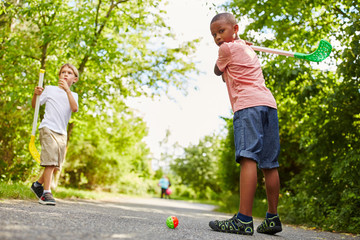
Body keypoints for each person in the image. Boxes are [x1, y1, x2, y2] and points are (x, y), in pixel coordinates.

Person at [208, 13, 282, 235]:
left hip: (248, 107)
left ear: (235, 28)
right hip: (269, 105)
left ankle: (243, 219)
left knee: (248, 156)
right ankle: (272, 218)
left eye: (221, 31)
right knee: (270, 163)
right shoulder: (247, 49)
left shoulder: (227, 50)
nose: (218, 38)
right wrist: (239, 42)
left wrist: (229, 47)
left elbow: (216, 71)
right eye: (214, 35)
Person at [30, 63, 79, 205]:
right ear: (59, 75)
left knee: (56, 165)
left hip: (61, 133)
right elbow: (35, 105)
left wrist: (67, 91)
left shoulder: (73, 95)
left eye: (69, 73)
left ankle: (37, 185)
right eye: (63, 72)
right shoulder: (50, 89)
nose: (65, 74)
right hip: (48, 128)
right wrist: (36, 94)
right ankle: (46, 193)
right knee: (50, 161)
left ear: (74, 79)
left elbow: (74, 108)